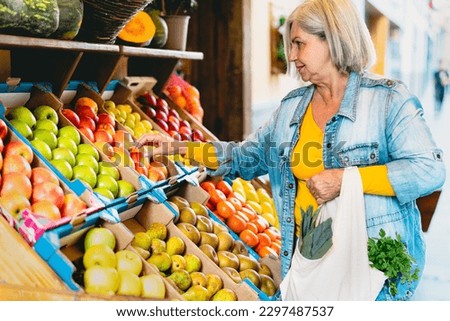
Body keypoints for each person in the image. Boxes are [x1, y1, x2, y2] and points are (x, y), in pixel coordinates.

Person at [136, 0, 445, 300]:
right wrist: (176, 147)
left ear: (333, 39)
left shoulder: (387, 101)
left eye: (299, 43)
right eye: (290, 44)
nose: (291, 54)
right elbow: (245, 156)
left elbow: (428, 171)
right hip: (309, 267)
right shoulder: (291, 108)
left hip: (370, 271)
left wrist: (346, 180)